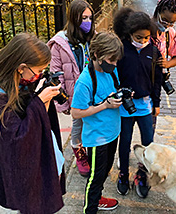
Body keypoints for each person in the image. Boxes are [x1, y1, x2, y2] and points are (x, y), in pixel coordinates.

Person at [0, 33, 65, 214]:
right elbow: (17, 138)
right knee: (33, 205)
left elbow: (40, 120)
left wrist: (44, 98)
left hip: (42, 158)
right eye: (38, 71)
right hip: (25, 169)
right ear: (21, 68)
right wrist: (40, 102)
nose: (40, 75)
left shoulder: (24, 84)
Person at [71, 32, 124, 214]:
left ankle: (98, 199)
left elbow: (114, 89)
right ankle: (90, 208)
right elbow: (76, 112)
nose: (115, 64)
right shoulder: (85, 81)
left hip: (112, 133)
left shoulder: (111, 71)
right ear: (96, 55)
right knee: (95, 177)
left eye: (116, 60)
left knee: (104, 171)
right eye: (111, 59)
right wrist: (104, 105)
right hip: (97, 139)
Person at [113, 8, 162, 198]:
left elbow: (157, 80)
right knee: (124, 141)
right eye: (138, 37)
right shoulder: (122, 49)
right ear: (129, 33)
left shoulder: (153, 51)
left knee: (148, 143)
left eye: (146, 37)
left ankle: (142, 175)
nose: (142, 41)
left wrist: (156, 103)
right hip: (125, 106)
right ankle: (123, 174)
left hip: (145, 105)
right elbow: (115, 76)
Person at [48, 0, 95, 176]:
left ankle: (91, 148)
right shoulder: (60, 43)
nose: (88, 22)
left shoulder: (93, 37)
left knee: (92, 121)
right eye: (83, 18)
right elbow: (56, 75)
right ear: (74, 18)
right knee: (78, 124)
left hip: (93, 90)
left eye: (90, 18)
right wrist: (64, 102)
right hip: (75, 93)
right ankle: (78, 151)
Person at [152, 0, 176, 128]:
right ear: (158, 11)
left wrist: (167, 63)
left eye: (172, 22)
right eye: (164, 20)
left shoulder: (170, 34)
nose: (167, 24)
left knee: (151, 122)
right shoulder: (143, 27)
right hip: (138, 79)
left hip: (155, 83)